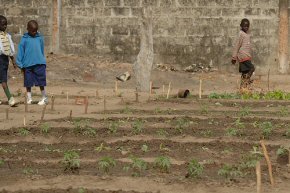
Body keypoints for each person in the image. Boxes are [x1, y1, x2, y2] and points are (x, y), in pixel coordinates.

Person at [16, 20, 48, 105]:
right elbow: (21, 51)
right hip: (27, 64)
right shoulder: (24, 39)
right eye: (33, 30)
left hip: (39, 63)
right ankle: (29, 98)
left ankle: (44, 98)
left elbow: (41, 49)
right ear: (28, 29)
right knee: (28, 82)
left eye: (36, 30)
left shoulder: (39, 38)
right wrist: (19, 63)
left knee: (41, 81)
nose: (34, 32)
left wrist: (42, 60)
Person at [232, 18, 255, 90]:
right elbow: (237, 45)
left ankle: (242, 88)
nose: (246, 27)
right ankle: (246, 81)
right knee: (252, 68)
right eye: (245, 26)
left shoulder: (246, 34)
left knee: (244, 71)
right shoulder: (241, 34)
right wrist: (234, 57)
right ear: (241, 26)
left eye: (247, 26)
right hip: (243, 56)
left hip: (246, 56)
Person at [0, 15, 17, 106]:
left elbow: (10, 49)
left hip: (4, 60)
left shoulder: (8, 36)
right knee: (3, 81)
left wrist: (13, 61)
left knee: (3, 79)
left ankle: (10, 98)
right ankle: (10, 98)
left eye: (6, 24)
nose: (5, 26)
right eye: (3, 25)